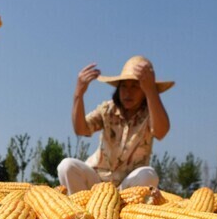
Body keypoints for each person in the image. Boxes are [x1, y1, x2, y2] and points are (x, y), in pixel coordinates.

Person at [58, 55, 173, 193]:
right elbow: (81, 129)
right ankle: (81, 212)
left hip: (127, 188)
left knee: (148, 175)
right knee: (66, 166)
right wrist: (78, 95)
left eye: (135, 86)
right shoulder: (108, 110)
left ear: (144, 90)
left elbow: (161, 132)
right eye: (124, 86)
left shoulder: (151, 114)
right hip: (96, 182)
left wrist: (151, 91)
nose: (128, 92)